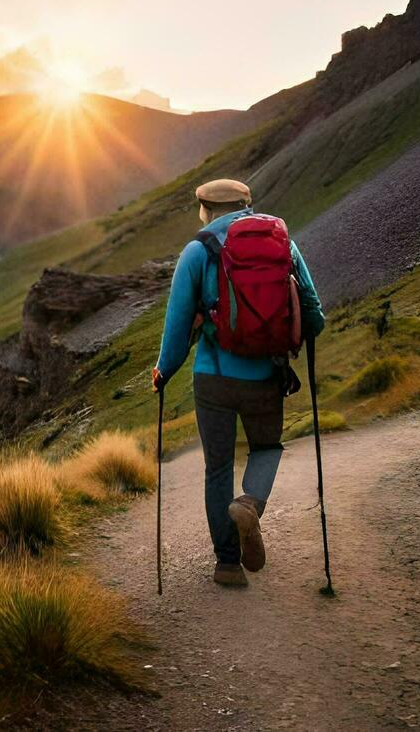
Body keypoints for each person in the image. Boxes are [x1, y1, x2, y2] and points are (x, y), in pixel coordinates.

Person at [151, 178, 324, 587]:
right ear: (248, 204)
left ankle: (228, 564)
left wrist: (163, 372)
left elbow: (176, 327)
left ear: (205, 209)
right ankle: (250, 504)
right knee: (266, 449)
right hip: (266, 376)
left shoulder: (197, 251)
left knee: (218, 469)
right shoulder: (284, 244)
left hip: (213, 379)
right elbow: (314, 314)